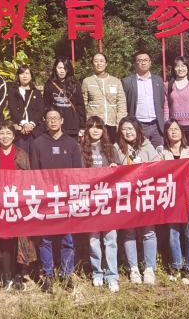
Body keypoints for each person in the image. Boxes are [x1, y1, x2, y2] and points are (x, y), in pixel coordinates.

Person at [29, 106, 83, 291]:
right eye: (49, 118)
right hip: (46, 197)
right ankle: (48, 275)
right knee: (46, 239)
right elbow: (35, 172)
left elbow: (77, 173)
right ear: (45, 121)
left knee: (67, 239)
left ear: (62, 121)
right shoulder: (38, 143)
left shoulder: (72, 144)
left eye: (55, 118)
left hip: (66, 198)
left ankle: (67, 275)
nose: (52, 121)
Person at [0, 121, 35, 290]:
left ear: (14, 136)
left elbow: (28, 178)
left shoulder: (21, 154)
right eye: (2, 133)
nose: (5, 137)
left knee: (19, 239)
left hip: (18, 201)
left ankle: (18, 275)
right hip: (0, 202)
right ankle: (6, 275)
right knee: (4, 239)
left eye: (8, 133)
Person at [115, 116, 159, 284]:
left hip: (146, 195)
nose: (127, 132)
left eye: (130, 129)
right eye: (124, 129)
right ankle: (133, 268)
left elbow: (159, 166)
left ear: (137, 129)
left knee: (149, 231)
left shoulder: (147, 145)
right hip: (127, 197)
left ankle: (149, 268)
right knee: (129, 232)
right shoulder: (117, 148)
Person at [79, 116, 120, 291]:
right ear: (87, 130)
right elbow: (78, 174)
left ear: (104, 130)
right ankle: (97, 272)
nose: (95, 130)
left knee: (110, 239)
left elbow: (122, 173)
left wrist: (115, 168)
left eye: (99, 127)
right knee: (94, 239)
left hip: (108, 200)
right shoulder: (81, 149)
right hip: (90, 200)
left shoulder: (111, 149)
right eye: (92, 127)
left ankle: (112, 275)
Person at [161, 122, 189, 284]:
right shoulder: (162, 152)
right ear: (166, 133)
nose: (173, 132)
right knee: (173, 234)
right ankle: (175, 265)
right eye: (170, 130)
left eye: (176, 129)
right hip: (170, 199)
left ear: (182, 132)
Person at [122, 51, 166, 151]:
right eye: (140, 60)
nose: (143, 62)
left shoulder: (158, 80)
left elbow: (161, 102)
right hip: (138, 125)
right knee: (139, 153)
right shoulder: (127, 82)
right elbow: (125, 104)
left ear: (150, 62)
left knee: (159, 153)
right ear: (135, 64)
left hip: (156, 125)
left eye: (146, 60)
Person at [81, 53, 127, 142]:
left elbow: (121, 102)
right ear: (92, 64)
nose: (99, 64)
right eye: (96, 61)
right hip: (95, 124)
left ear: (106, 64)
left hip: (112, 123)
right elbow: (83, 104)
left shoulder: (116, 81)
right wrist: (85, 123)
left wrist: (120, 122)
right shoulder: (87, 81)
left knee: (111, 147)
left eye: (101, 61)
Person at [43, 58, 85, 139]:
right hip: (55, 125)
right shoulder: (49, 84)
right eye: (60, 68)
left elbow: (80, 106)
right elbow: (46, 105)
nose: (62, 71)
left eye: (65, 68)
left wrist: (82, 126)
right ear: (55, 68)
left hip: (72, 125)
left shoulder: (75, 84)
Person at [8, 65, 45, 151]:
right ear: (18, 76)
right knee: (21, 155)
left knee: (35, 156)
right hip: (20, 131)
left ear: (31, 76)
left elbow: (41, 110)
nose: (25, 76)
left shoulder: (36, 92)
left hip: (35, 131)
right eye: (22, 73)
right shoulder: (13, 92)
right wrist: (24, 123)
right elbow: (13, 109)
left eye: (27, 73)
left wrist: (31, 124)